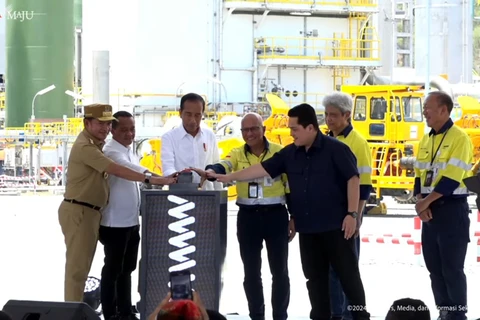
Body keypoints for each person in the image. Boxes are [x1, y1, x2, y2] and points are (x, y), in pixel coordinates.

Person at [208, 104, 370, 320]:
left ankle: (361, 317)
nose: (291, 133)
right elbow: (263, 168)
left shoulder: (336, 149)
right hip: (309, 231)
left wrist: (352, 214)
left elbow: (353, 179)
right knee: (315, 281)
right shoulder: (290, 153)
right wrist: (227, 177)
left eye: (294, 129)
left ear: (310, 128)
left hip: (337, 228)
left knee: (349, 279)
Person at [58, 104, 177, 303]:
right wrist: (153, 179)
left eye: (107, 124)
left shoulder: (97, 145)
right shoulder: (86, 147)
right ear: (87, 123)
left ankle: (94, 310)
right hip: (80, 211)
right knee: (78, 271)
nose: (105, 129)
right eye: (100, 124)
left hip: (92, 212)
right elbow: (117, 169)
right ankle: (72, 313)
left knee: (89, 267)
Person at [193, 113, 295, 320]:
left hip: (276, 216)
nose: (250, 134)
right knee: (251, 273)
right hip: (248, 217)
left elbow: (290, 187)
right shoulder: (237, 153)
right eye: (245, 130)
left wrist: (294, 217)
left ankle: (280, 316)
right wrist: (211, 170)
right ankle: (256, 315)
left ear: (263, 129)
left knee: (280, 272)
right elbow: (225, 165)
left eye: (254, 129)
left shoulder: (279, 152)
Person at [414, 91, 472, 320]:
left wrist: (425, 202)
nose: (424, 111)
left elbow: (452, 178)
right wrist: (421, 201)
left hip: (451, 210)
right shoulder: (426, 139)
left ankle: (457, 316)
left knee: (452, 269)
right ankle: (444, 312)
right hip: (429, 212)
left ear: (444, 110)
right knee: (435, 270)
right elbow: (419, 174)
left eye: (428, 107)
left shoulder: (459, 138)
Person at [323, 92, 372, 320]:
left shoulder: (358, 143)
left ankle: (351, 315)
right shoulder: (323, 141)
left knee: (346, 271)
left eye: (333, 115)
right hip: (326, 217)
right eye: (326, 114)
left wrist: (356, 217)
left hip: (347, 216)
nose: (328, 119)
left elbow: (364, 186)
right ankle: (336, 314)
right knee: (329, 271)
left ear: (347, 115)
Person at [100, 111, 150, 320]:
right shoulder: (110, 151)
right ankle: (111, 312)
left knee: (127, 268)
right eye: (124, 129)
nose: (129, 134)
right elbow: (128, 169)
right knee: (113, 269)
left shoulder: (130, 150)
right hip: (114, 222)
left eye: (132, 129)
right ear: (112, 129)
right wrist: (154, 177)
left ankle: (125, 310)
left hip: (131, 221)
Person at [161, 93, 222, 190]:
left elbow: (217, 166)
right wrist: (181, 176)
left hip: (208, 196)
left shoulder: (210, 136)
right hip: (180, 196)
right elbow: (168, 168)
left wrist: (219, 197)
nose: (193, 120)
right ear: (180, 113)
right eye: (188, 114)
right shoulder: (169, 138)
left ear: (202, 114)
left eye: (197, 115)